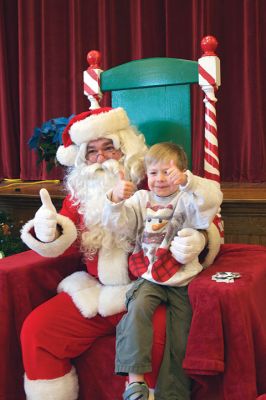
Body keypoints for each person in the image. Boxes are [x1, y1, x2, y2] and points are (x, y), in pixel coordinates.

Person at [20, 107, 222, 400]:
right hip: (96, 292)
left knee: (159, 338)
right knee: (38, 332)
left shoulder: (154, 178)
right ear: (82, 158)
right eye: (92, 152)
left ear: (124, 149)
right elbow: (64, 233)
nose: (101, 158)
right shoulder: (82, 193)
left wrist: (200, 241)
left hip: (149, 287)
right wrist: (47, 230)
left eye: (109, 148)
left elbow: (205, 216)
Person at [102, 142, 223, 400]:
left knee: (181, 337)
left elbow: (212, 199)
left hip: (183, 279)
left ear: (182, 172)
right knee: (137, 309)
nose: (159, 179)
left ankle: (174, 395)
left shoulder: (187, 198)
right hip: (149, 275)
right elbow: (117, 225)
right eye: (153, 172)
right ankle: (135, 382)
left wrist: (189, 182)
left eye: (167, 172)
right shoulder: (140, 199)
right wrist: (114, 200)